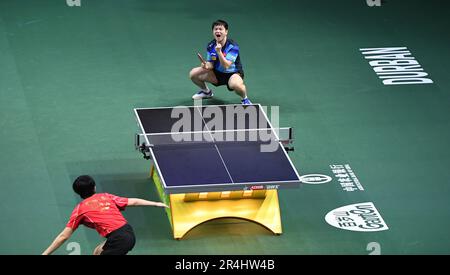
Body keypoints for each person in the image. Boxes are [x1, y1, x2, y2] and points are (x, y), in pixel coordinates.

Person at [42, 175, 169, 255]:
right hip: (127, 233)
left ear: (78, 193)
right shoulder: (106, 196)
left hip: (119, 240)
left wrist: (46, 253)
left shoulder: (80, 210)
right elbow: (134, 201)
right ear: (94, 188)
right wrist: (155, 203)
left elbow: (64, 236)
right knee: (98, 252)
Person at [189, 19, 252, 105]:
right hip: (217, 74)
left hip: (233, 74)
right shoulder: (211, 45)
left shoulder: (233, 46)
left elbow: (226, 66)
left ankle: (244, 99)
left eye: (220, 29)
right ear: (213, 32)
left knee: (236, 85)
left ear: (226, 32)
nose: (218, 31)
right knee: (193, 73)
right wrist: (206, 65)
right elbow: (211, 64)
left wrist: (219, 52)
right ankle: (206, 92)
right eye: (215, 29)